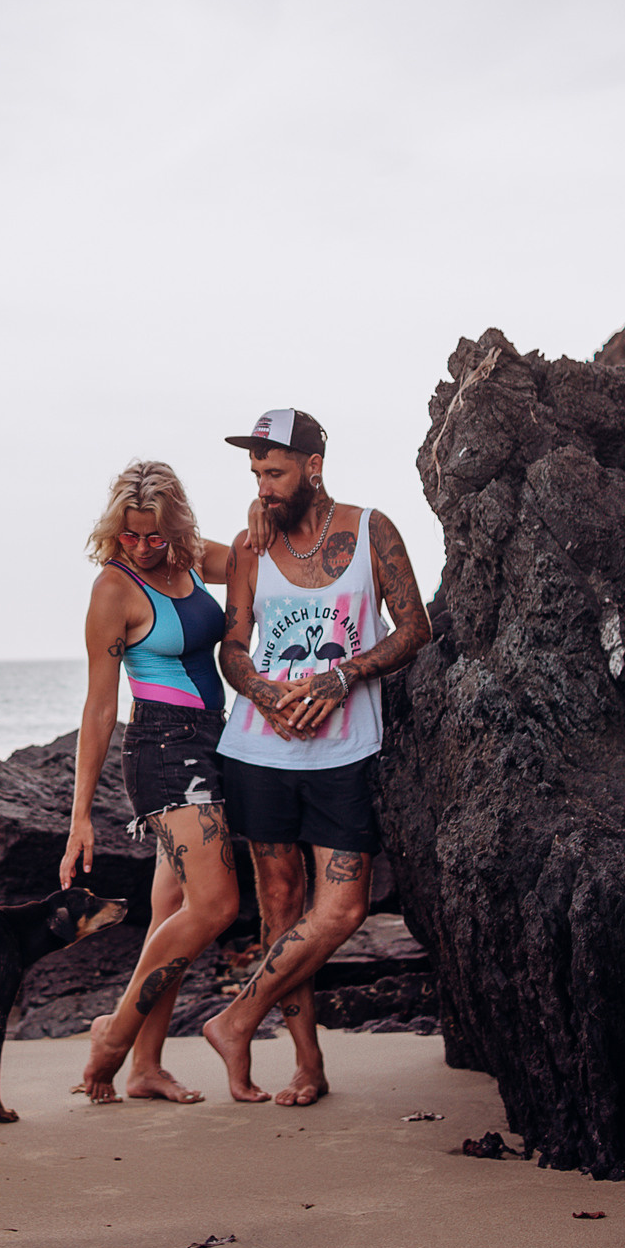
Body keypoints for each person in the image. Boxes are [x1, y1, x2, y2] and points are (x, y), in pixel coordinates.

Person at [201, 408, 431, 1105]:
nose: (264, 486)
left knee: (342, 908)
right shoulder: (251, 545)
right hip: (259, 751)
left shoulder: (371, 530)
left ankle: (236, 1017)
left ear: (313, 466)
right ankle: (307, 1063)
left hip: (346, 751)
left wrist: (344, 674)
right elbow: (233, 647)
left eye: (275, 471)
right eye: (257, 474)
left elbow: (415, 625)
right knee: (279, 908)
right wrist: (264, 692)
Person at [59, 460, 236, 1105]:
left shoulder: (189, 560)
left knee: (171, 913)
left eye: (153, 535)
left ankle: (146, 1067)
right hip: (163, 750)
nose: (141, 546)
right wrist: (80, 817)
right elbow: (99, 708)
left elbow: (257, 557)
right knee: (215, 907)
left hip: (217, 740)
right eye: (129, 534)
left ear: (175, 526)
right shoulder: (114, 588)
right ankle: (113, 1042)